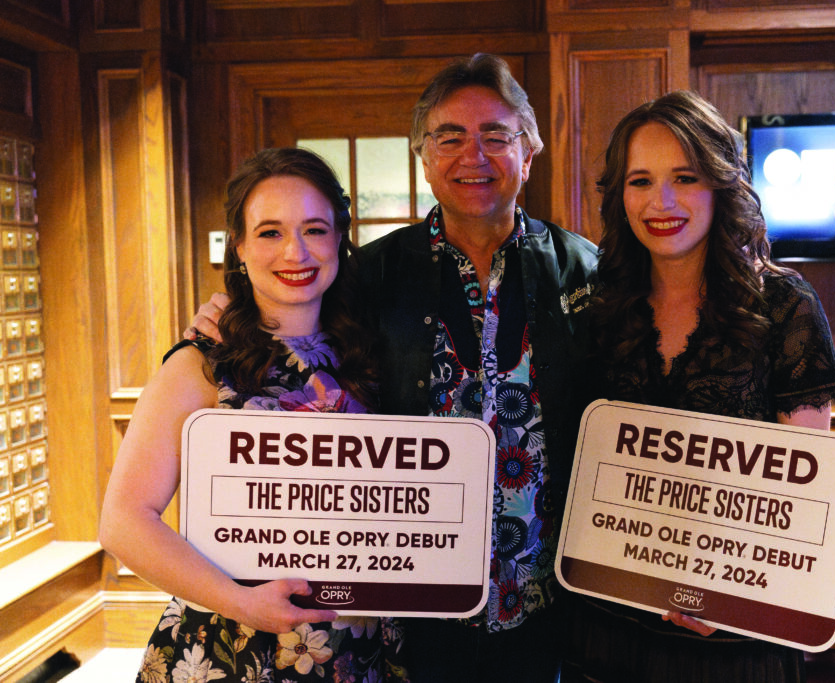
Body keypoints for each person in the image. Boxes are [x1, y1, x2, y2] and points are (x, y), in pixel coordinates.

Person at [187, 54, 599, 682]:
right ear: (423, 155)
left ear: (530, 150)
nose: (474, 155)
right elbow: (289, 323)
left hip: (541, 599)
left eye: (496, 135)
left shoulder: (585, 272)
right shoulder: (368, 275)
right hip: (405, 607)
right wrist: (227, 308)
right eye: (449, 137)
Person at [560, 91, 835, 683]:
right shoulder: (600, 307)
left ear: (721, 184)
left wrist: (732, 600)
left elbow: (806, 505)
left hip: (734, 644)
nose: (660, 202)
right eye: (640, 181)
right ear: (620, 196)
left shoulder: (786, 304)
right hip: (607, 629)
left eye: (684, 177)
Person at [100, 148, 407, 683]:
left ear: (339, 238)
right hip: (234, 646)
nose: (295, 251)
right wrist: (241, 603)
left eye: (315, 229)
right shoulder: (200, 362)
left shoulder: (372, 357)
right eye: (269, 233)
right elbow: (124, 522)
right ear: (238, 246)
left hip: (355, 648)